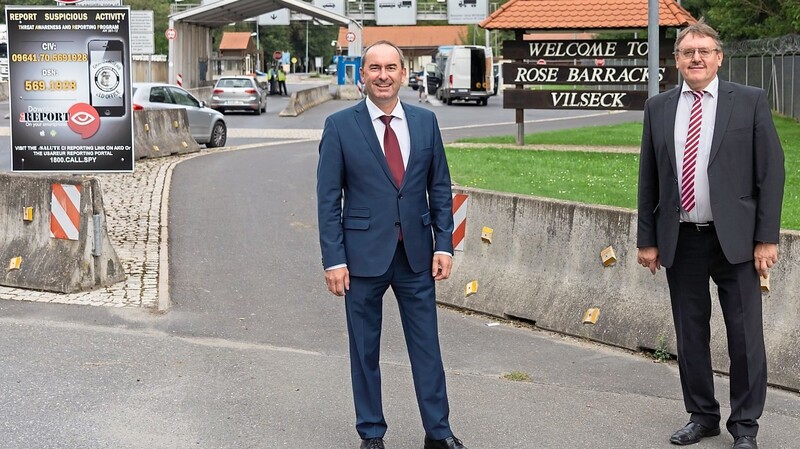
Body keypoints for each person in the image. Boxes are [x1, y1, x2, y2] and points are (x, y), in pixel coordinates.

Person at [636, 20, 785, 449]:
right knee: (690, 334)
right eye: (688, 52)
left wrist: (766, 238)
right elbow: (649, 178)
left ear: (719, 58)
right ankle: (701, 416)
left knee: (745, 338)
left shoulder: (750, 101)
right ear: (677, 60)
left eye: (704, 51)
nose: (696, 58)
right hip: (681, 239)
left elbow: (770, 174)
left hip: (736, 240)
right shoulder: (658, 107)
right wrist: (647, 239)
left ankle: (745, 427)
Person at [316, 40, 468, 449]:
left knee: (428, 349)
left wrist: (444, 245)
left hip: (417, 256)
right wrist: (334, 259)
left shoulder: (425, 122)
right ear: (362, 75)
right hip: (361, 258)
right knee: (364, 352)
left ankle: (438, 432)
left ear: (403, 73)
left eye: (390, 67)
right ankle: (371, 433)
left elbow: (439, 188)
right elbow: (329, 199)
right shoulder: (340, 127)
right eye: (374, 68)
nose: (383, 75)